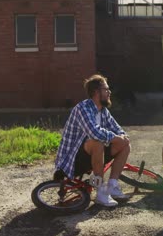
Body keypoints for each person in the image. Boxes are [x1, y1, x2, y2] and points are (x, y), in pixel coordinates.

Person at [55, 74, 131, 207]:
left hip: (90, 154)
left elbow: (117, 128)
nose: (109, 92)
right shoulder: (83, 108)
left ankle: (112, 186)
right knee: (97, 142)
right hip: (72, 161)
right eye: (106, 89)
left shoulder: (103, 111)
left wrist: (122, 138)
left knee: (125, 145)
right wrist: (116, 138)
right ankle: (101, 193)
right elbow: (94, 132)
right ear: (96, 92)